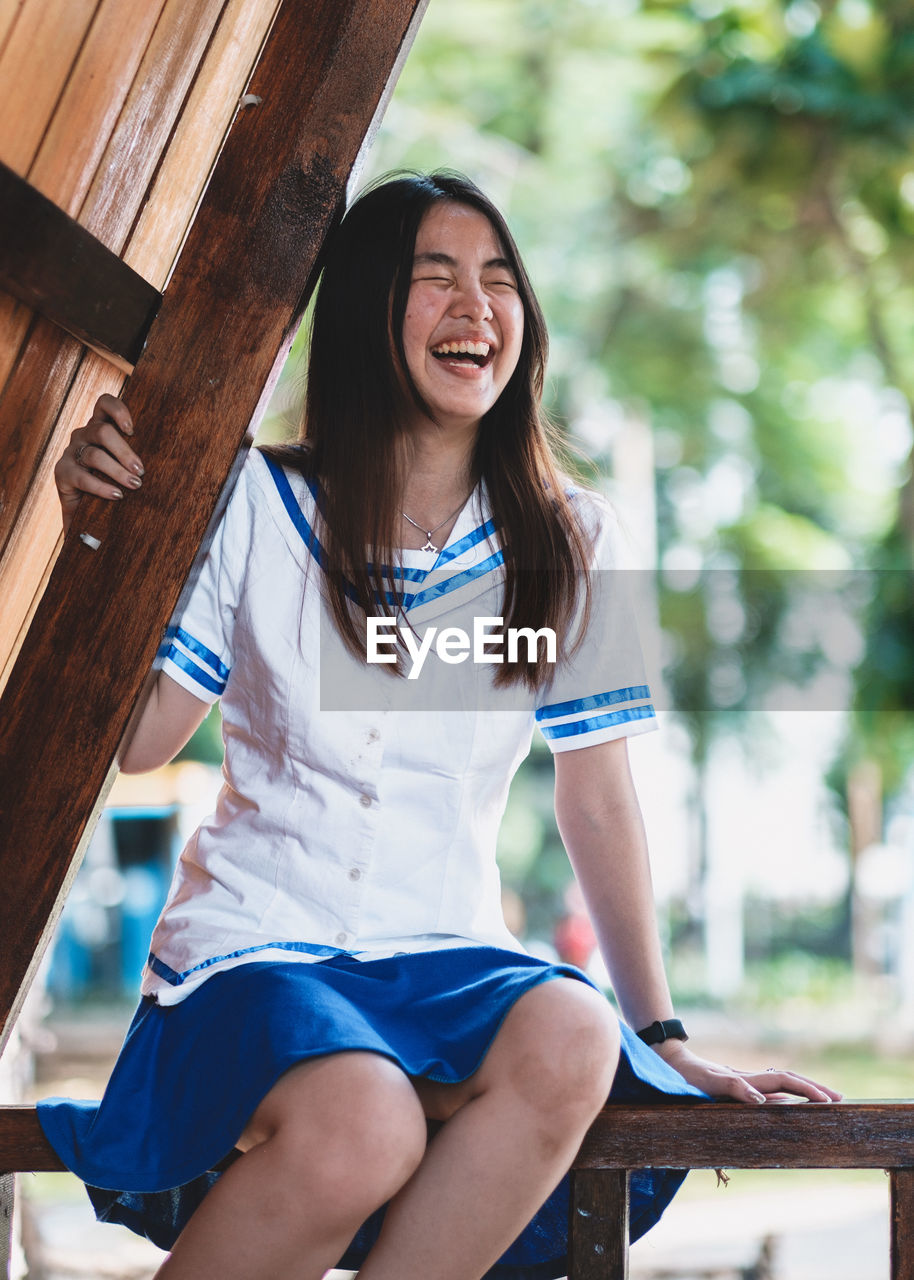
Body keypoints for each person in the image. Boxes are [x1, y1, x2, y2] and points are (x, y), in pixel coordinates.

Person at [44, 171, 839, 1280]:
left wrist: (661, 1037)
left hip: (443, 948)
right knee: (362, 1118)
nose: (476, 309)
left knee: (570, 1027)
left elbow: (593, 793)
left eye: (499, 280)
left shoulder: (571, 539)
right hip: (255, 948)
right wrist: (98, 540)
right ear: (368, 310)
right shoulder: (257, 502)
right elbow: (140, 740)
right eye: (434, 279)